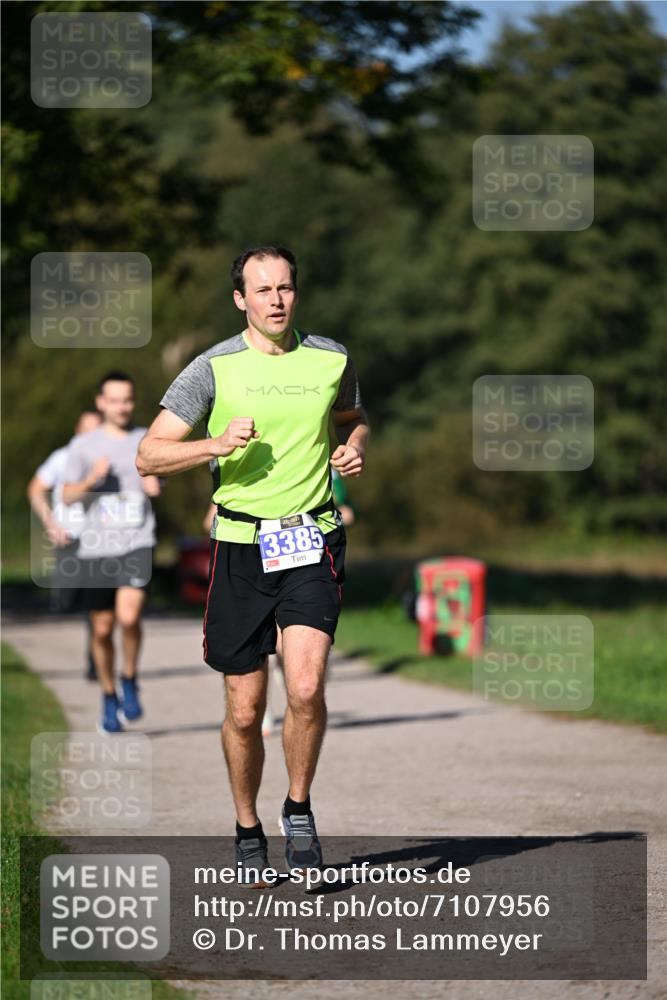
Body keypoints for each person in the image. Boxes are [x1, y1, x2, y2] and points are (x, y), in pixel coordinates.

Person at [137, 245, 369, 883]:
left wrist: (353, 448)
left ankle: (298, 808)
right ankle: (246, 826)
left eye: (286, 288)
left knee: (304, 688)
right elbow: (149, 455)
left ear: (296, 292)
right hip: (241, 548)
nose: (276, 300)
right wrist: (214, 443)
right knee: (244, 711)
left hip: (312, 539)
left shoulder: (331, 357)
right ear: (240, 299)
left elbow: (353, 417)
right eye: (262, 290)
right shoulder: (212, 369)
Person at [62, 372, 162, 733]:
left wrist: (155, 483)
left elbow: (159, 478)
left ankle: (130, 679)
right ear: (101, 402)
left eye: (128, 400)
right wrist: (91, 480)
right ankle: (108, 694)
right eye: (115, 400)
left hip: (137, 541)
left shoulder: (147, 438)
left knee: (130, 618)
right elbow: (66, 495)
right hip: (96, 547)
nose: (122, 406)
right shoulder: (84, 446)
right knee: (102, 630)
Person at [28, 410, 102, 679]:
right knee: (67, 600)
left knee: (98, 606)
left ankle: (95, 661)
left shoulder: (107, 459)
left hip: (100, 541)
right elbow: (35, 490)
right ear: (77, 430)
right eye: (89, 430)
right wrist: (51, 525)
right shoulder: (62, 458)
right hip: (69, 538)